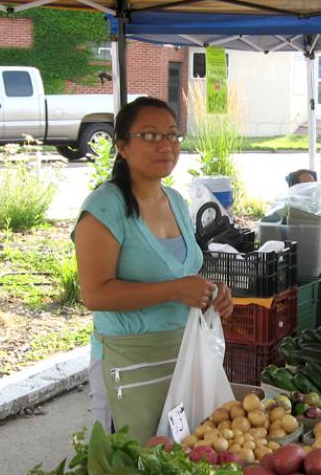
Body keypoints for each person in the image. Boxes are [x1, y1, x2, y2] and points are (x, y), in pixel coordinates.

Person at [73, 96, 233, 443]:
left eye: (173, 135)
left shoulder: (174, 200)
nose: (166, 145)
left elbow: (179, 272)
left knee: (182, 459)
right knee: (131, 467)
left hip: (181, 353)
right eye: (150, 136)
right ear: (122, 146)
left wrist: (211, 291)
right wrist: (176, 290)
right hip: (129, 359)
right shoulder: (105, 207)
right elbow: (95, 294)